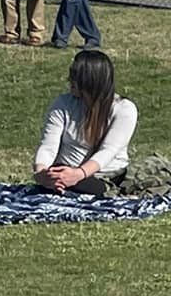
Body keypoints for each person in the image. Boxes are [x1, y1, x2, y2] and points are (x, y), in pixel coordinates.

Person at [33, 49, 138, 194]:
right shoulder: (63, 103)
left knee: (88, 187)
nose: (70, 81)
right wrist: (42, 174)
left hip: (103, 175)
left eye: (75, 77)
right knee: (54, 179)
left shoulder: (124, 109)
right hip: (64, 168)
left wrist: (78, 174)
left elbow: (108, 151)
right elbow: (48, 146)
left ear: (91, 80)